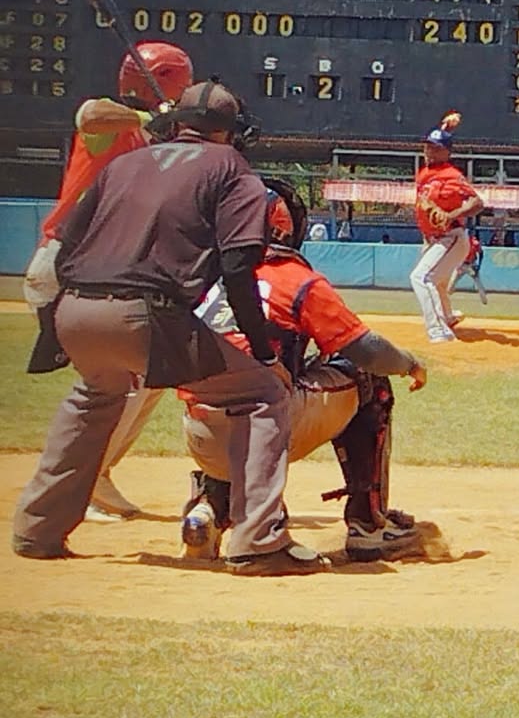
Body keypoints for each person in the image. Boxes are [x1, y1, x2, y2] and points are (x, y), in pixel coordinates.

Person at [13, 81, 330, 577]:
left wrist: (57, 320)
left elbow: (67, 244)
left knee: (94, 396)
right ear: (231, 131)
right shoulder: (232, 170)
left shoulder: (124, 164)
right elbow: (239, 268)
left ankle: (37, 530)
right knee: (261, 392)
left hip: (75, 308)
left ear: (176, 123)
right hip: (147, 314)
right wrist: (266, 355)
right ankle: (259, 541)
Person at [179, 178, 428, 563]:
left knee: (232, 386)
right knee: (365, 377)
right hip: (270, 427)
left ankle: (209, 510)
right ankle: (368, 524)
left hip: (198, 432)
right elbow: (368, 352)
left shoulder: (202, 277)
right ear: (283, 227)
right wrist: (410, 363)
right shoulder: (294, 278)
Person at [23, 40, 194, 519]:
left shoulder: (146, 139)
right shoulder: (115, 124)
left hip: (91, 266)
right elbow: (89, 115)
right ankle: (88, 476)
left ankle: (96, 472)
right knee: (129, 374)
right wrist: (145, 119)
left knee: (147, 376)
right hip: (67, 261)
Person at [410, 111, 484, 343]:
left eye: (435, 147)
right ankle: (448, 317)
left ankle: (439, 330)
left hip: (451, 237)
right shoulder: (426, 172)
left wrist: (454, 213)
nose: (429, 150)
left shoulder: (451, 175)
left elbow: (477, 202)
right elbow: (439, 142)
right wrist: (445, 129)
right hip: (434, 239)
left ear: (446, 152)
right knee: (439, 282)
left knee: (422, 278)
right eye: (427, 146)